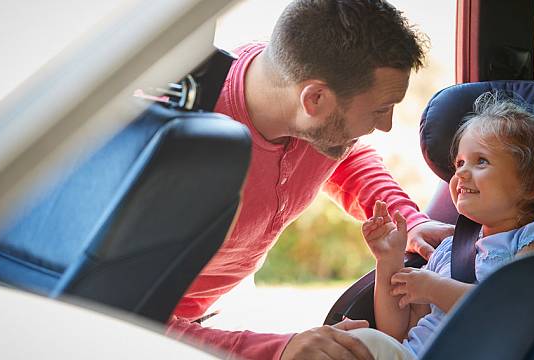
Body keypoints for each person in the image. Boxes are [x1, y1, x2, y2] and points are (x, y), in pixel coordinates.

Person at [165, 1, 455, 359]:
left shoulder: (313, 119)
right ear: (314, 98)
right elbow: (115, 315)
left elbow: (346, 156)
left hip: (218, 305)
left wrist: (408, 220)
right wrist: (279, 350)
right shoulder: (175, 148)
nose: (386, 126)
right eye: (380, 110)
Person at [354, 92, 534, 359]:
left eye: (482, 161)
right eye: (459, 163)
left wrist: (433, 288)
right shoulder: (446, 250)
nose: (461, 174)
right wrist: (388, 261)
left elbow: (517, 314)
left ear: (532, 184)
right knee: (346, 342)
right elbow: (397, 333)